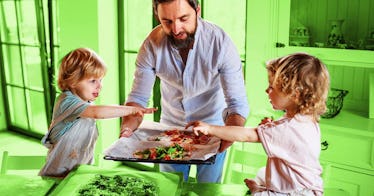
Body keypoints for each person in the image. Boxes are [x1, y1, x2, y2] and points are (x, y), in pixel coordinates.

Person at [120, 0, 249, 183]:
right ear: (158, 16)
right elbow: (138, 98)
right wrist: (127, 127)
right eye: (168, 21)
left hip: (213, 131)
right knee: (170, 188)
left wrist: (229, 134)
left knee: (208, 192)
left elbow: (237, 104)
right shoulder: (151, 45)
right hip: (170, 129)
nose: (176, 29)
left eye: (183, 18)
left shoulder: (220, 43)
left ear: (197, 11)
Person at [186, 53, 329, 195]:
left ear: (295, 94)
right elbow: (289, 140)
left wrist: (210, 128)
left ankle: (257, 191)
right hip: (306, 189)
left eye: (272, 87)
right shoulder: (306, 121)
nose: (267, 91)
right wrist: (273, 127)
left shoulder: (288, 128)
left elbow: (248, 135)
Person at [39, 48, 156, 178]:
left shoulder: (88, 102)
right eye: (93, 81)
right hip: (56, 174)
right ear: (73, 81)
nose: (99, 86)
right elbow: (97, 113)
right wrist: (132, 109)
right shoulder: (66, 102)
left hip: (79, 172)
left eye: (101, 80)